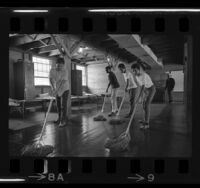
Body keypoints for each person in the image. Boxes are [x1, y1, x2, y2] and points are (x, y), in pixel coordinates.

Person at [131, 63, 156, 129]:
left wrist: (138, 98)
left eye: (135, 70)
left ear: (139, 70)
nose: (134, 72)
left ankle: (147, 123)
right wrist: (142, 97)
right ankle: (144, 119)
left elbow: (142, 87)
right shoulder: (136, 76)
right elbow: (141, 87)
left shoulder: (144, 75)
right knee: (143, 104)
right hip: (146, 90)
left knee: (147, 105)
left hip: (151, 89)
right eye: (133, 70)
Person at [49, 57, 70, 127]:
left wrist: (56, 90)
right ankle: (59, 118)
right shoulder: (52, 70)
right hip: (56, 88)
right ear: (56, 64)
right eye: (58, 66)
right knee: (58, 105)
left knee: (63, 105)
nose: (59, 67)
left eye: (61, 66)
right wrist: (53, 88)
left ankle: (63, 120)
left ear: (63, 65)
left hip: (65, 88)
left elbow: (63, 82)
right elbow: (50, 79)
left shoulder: (65, 71)